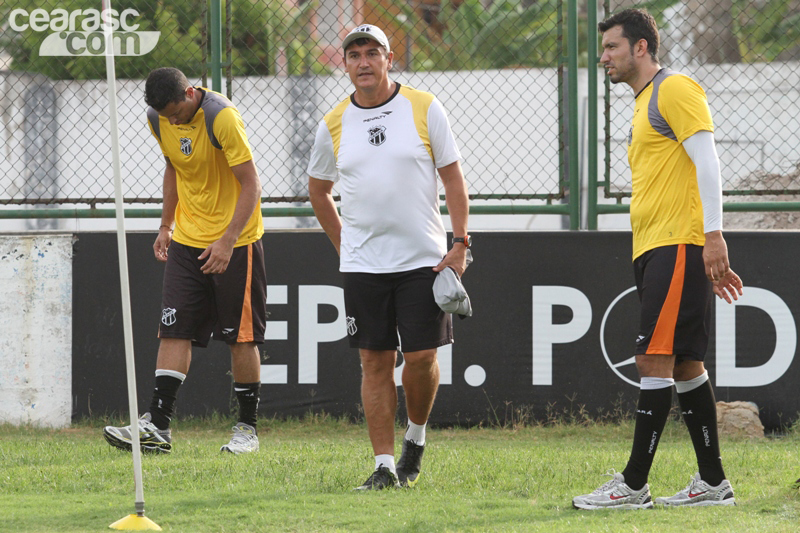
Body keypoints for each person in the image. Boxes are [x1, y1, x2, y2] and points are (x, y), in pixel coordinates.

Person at [572, 9, 744, 510]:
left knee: (653, 358)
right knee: (687, 364)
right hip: (656, 248)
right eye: (603, 49)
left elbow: (708, 160)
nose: (603, 57)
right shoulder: (646, 100)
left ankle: (633, 484)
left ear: (641, 48)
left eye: (612, 48)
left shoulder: (675, 88)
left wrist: (714, 236)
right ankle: (713, 484)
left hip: (678, 244)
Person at [307, 24, 470, 490]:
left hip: (423, 260)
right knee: (375, 364)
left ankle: (414, 440)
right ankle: (382, 466)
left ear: (388, 58)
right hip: (364, 267)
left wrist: (460, 243)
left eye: (371, 53)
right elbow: (319, 193)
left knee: (420, 358)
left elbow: (454, 180)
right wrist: (346, 247)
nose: (363, 62)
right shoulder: (333, 122)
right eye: (354, 54)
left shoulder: (424, 106)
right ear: (346, 64)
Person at [103, 67, 266, 455]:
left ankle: (247, 430)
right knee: (172, 329)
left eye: (176, 112)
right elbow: (174, 168)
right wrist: (165, 225)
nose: (172, 120)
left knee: (240, 337)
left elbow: (252, 183)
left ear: (190, 93)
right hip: (186, 241)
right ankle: (157, 428)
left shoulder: (221, 117)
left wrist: (227, 241)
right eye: (165, 116)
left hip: (235, 241)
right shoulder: (157, 118)